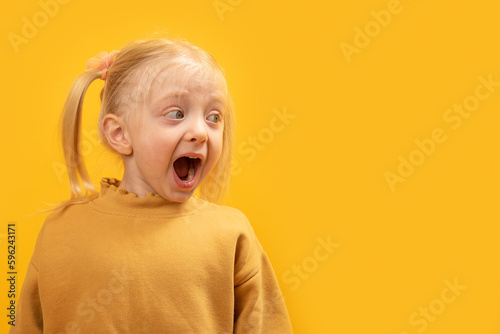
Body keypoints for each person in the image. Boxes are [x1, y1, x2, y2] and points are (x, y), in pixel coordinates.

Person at [10, 37, 293, 333]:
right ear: (119, 133)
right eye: (176, 114)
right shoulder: (60, 230)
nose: (200, 131)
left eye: (214, 117)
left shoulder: (232, 234)